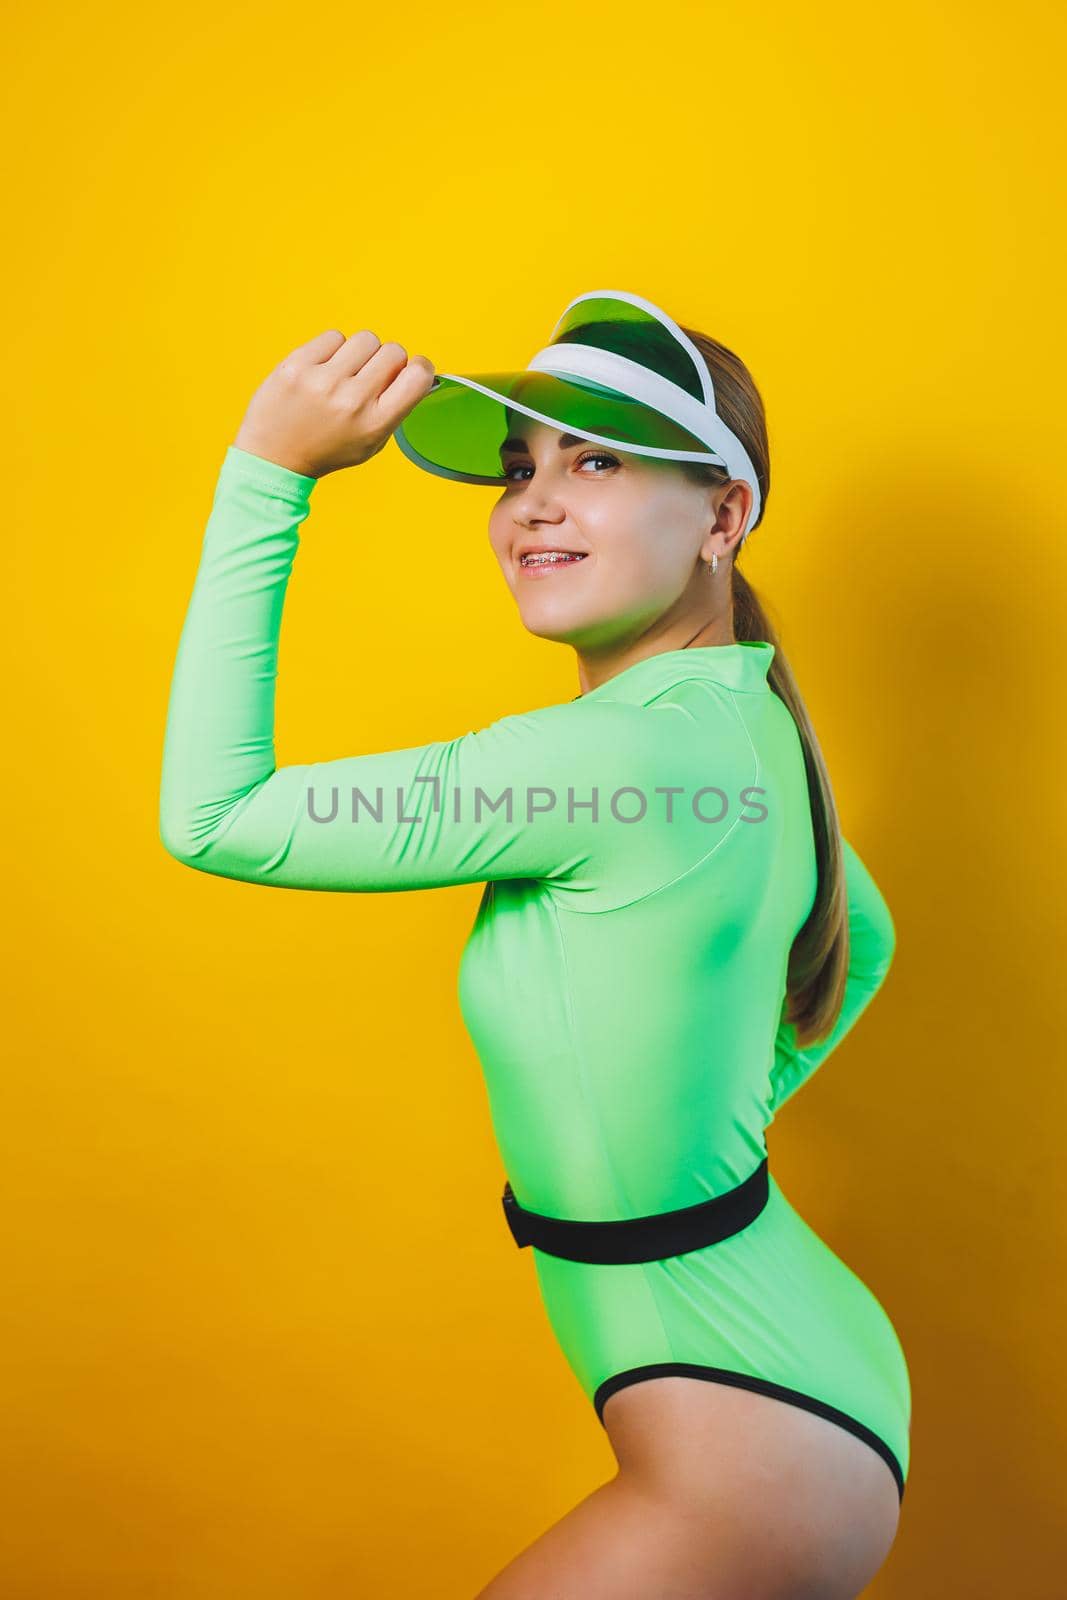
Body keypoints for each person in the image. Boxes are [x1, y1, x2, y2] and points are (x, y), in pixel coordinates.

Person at [159, 291, 911, 1599]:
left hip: (748, 1454)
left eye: (599, 462)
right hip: (792, 1387)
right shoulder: (734, 726)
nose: (535, 505)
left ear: (724, 518)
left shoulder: (606, 759)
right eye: (521, 470)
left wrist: (268, 476)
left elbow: (216, 818)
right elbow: (873, 936)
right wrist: (685, 1141)